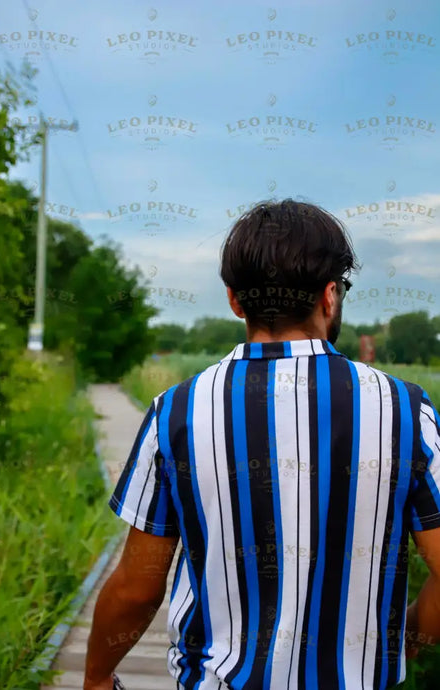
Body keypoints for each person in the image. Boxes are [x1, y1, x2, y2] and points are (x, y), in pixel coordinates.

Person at [84, 200, 440, 690]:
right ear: (330, 295)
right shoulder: (407, 411)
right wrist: (402, 645)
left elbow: (137, 586)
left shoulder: (177, 413)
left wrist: (98, 675)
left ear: (234, 300)